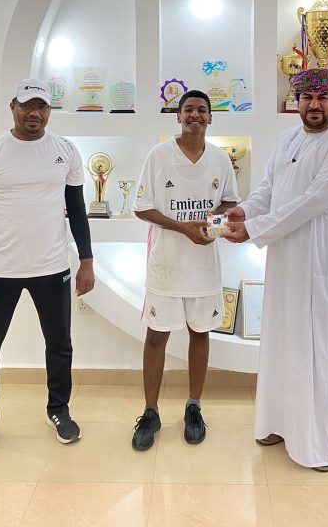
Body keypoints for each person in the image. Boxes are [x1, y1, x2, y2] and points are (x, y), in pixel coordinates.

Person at [224, 68, 328, 471]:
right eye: (306, 97)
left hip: (321, 266)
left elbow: (312, 202)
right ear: (296, 101)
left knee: (319, 352)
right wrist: (245, 210)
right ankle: (279, 423)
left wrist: (254, 229)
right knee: (282, 341)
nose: (314, 105)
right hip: (285, 260)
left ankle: (320, 443)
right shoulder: (287, 138)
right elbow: (270, 189)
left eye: (323, 98)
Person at [0, 78, 94, 461]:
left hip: (52, 268)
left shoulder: (66, 151)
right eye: (26, 105)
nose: (33, 113)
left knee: (60, 345)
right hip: (0, 271)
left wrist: (86, 260)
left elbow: (77, 210)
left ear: (49, 111)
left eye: (41, 106)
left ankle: (59, 410)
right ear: (13, 107)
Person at [131, 90, 239, 450]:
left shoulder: (220, 158)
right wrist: (183, 228)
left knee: (200, 333)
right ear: (178, 117)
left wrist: (210, 222)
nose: (195, 115)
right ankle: (150, 412)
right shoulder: (159, 156)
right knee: (156, 337)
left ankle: (194, 406)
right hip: (166, 265)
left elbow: (230, 200)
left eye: (202, 110)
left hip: (204, 266)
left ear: (210, 118)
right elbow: (141, 206)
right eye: (188, 109)